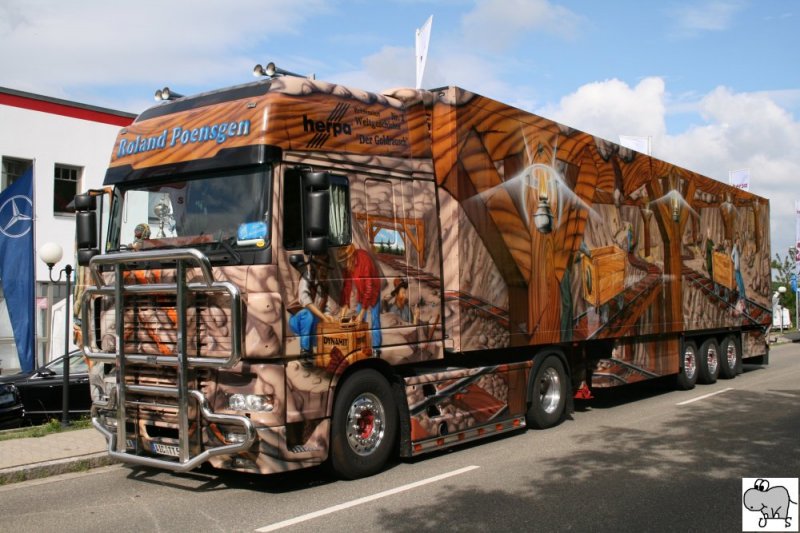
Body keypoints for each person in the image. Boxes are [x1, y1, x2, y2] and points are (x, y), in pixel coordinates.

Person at [289, 256, 337, 367]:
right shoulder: (307, 277)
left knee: (324, 325)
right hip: (298, 319)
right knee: (308, 314)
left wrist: (327, 316)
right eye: (322, 269)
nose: (324, 273)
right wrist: (323, 317)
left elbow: (325, 306)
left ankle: (320, 351)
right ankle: (305, 351)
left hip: (313, 321)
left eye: (326, 270)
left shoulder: (324, 285)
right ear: (317, 268)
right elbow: (305, 301)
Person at [338, 243, 382, 350]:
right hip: (362, 292)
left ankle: (376, 349)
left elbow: (369, 287)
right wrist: (343, 312)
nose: (344, 265)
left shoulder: (364, 259)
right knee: (359, 322)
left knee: (375, 319)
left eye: (344, 261)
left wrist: (362, 312)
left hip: (373, 290)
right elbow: (347, 287)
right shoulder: (348, 266)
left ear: (350, 257)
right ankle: (362, 347)